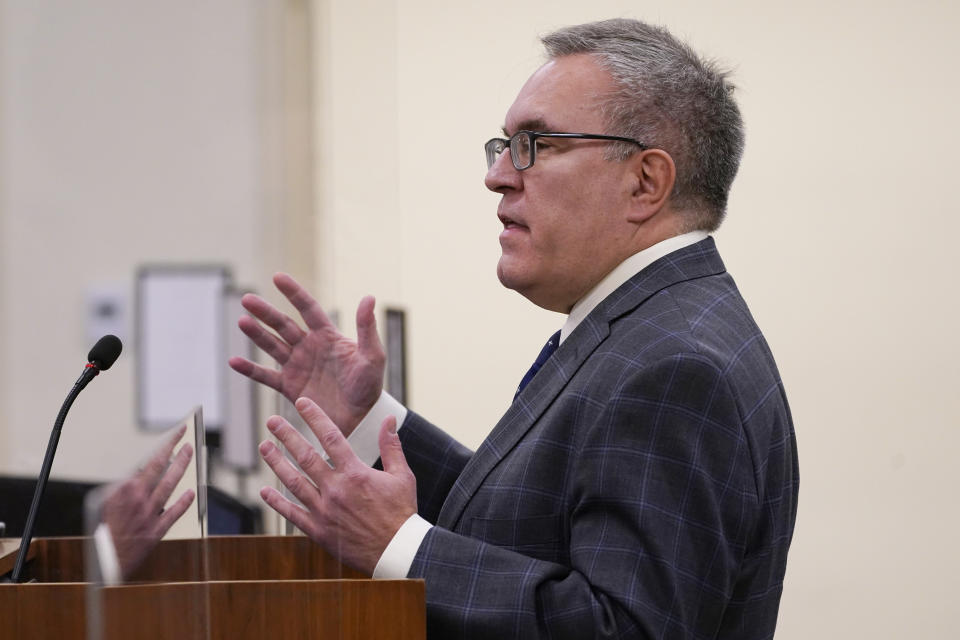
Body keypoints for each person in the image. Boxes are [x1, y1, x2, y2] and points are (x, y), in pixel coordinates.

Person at [230, 18, 798, 639]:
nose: (498, 173)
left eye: (536, 144)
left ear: (645, 181)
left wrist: (403, 549)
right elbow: (525, 521)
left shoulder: (676, 366)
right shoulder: (649, 324)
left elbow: (623, 629)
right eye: (503, 145)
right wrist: (372, 420)